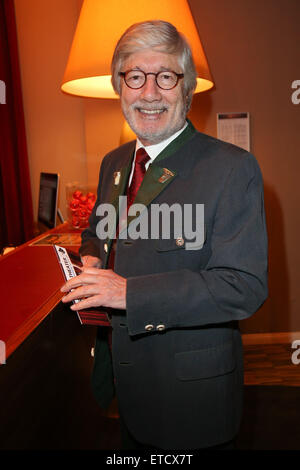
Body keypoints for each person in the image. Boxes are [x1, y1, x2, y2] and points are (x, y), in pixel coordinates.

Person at [61, 20, 268, 450]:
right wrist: (93, 257)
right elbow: (98, 234)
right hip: (125, 379)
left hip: (190, 397)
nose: (149, 93)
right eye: (135, 76)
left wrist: (129, 294)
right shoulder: (114, 162)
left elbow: (243, 287)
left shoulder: (232, 168)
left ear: (187, 88)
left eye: (165, 77)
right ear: (121, 86)